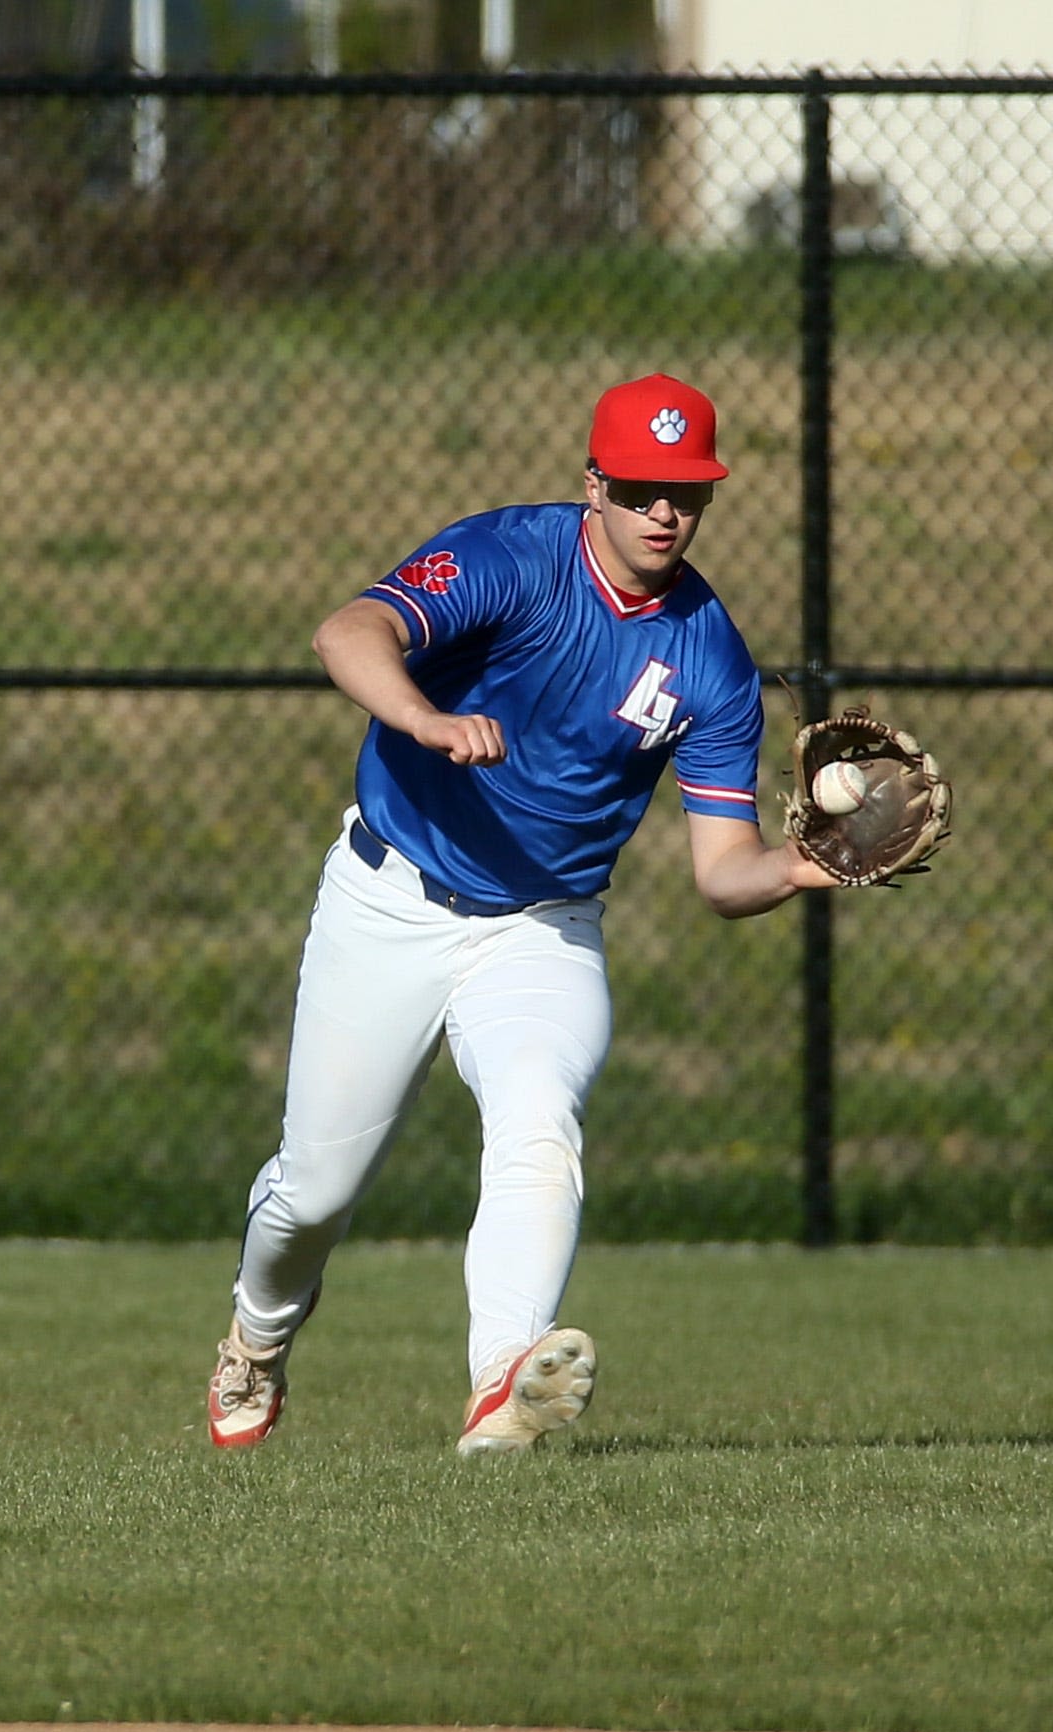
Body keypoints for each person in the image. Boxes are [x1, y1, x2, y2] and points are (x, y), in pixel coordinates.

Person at [207, 372, 840, 1455]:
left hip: (544, 929)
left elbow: (721, 869)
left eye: (686, 492)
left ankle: (505, 1380)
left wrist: (801, 869)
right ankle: (257, 1339)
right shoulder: (510, 557)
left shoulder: (710, 659)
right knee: (313, 1193)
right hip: (391, 895)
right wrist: (428, 719)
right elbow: (346, 634)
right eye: (641, 487)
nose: (663, 513)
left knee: (540, 1121)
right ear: (594, 481)